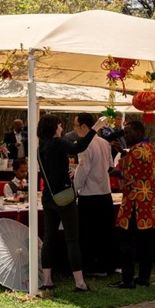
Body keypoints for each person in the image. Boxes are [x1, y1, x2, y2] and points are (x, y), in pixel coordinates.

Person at [37, 113, 105, 292]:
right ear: (54, 128)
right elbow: (80, 147)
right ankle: (79, 282)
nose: (62, 128)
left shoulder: (41, 147)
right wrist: (95, 128)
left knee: (49, 238)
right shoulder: (57, 143)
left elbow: (51, 170)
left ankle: (47, 280)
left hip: (48, 197)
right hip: (64, 197)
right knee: (72, 239)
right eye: (59, 125)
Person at [110, 121, 155, 288]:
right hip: (148, 202)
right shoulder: (149, 148)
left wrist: (114, 171)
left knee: (127, 240)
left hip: (135, 203)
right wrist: (123, 153)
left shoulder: (137, 151)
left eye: (128, 132)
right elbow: (140, 166)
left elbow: (130, 175)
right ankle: (144, 277)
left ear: (138, 132)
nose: (126, 135)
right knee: (146, 242)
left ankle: (128, 279)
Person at [73, 113, 116, 278]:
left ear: (84, 126)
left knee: (89, 233)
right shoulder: (105, 143)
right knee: (105, 232)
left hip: (89, 194)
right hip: (105, 192)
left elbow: (83, 171)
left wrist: (75, 189)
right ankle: (108, 265)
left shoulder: (84, 145)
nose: (75, 129)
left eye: (76, 125)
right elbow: (110, 166)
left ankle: (92, 267)